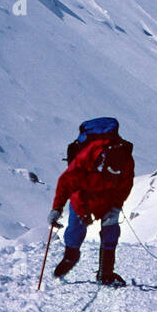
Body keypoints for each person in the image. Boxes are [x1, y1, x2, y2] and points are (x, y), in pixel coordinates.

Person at [49, 117, 134, 286]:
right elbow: (66, 182)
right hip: (83, 196)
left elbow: (125, 186)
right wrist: (57, 208)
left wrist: (116, 207)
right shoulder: (87, 157)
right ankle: (70, 257)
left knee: (111, 231)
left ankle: (106, 273)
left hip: (109, 199)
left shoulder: (125, 159)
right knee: (76, 229)